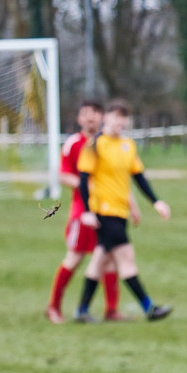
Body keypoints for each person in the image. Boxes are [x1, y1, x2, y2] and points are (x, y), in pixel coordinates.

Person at [73, 100, 173, 322]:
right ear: (106, 118)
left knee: (99, 261)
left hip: (120, 212)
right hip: (104, 212)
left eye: (124, 117)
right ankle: (149, 308)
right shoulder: (94, 145)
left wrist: (155, 202)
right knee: (126, 258)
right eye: (117, 116)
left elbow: (138, 177)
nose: (121, 122)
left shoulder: (128, 145)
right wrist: (88, 211)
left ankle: (82, 311)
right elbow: (83, 180)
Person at [45, 99, 119, 323]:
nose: (91, 117)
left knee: (109, 259)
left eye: (95, 113)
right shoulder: (73, 144)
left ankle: (111, 310)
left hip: (107, 210)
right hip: (82, 212)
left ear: (102, 117)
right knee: (74, 258)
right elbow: (63, 175)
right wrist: (85, 184)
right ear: (79, 118)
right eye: (86, 113)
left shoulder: (107, 143)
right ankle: (53, 307)